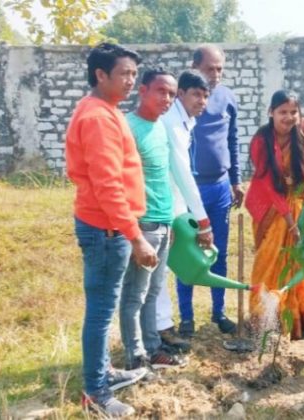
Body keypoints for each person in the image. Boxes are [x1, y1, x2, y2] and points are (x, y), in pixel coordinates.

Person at [65, 43, 155, 417]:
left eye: (134, 74)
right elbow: (107, 185)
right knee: (101, 311)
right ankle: (96, 393)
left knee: (103, 306)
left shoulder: (106, 110)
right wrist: (135, 236)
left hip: (106, 226)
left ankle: (101, 372)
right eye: (124, 74)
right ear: (100, 75)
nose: (131, 81)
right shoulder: (98, 118)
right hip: (106, 230)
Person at [245, 89, 304, 341]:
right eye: (282, 112)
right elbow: (266, 184)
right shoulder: (261, 141)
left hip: (300, 205)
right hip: (268, 208)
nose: (289, 117)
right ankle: (265, 323)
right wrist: (289, 220)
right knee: (268, 262)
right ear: (271, 113)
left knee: (301, 262)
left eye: (293, 112)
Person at [119, 67, 188, 370]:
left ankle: (152, 346)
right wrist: (131, 232)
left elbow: (163, 179)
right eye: (161, 91)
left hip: (163, 221)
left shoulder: (161, 127)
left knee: (154, 291)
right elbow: (117, 182)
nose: (167, 98)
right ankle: (136, 357)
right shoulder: (127, 127)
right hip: (142, 223)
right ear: (142, 90)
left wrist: (171, 220)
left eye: (172, 94)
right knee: (134, 294)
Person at [176, 45, 243, 337]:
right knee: (187, 254)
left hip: (220, 187)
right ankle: (187, 318)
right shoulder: (180, 102)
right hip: (189, 188)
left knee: (220, 252)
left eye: (219, 69)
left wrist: (236, 180)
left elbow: (233, 141)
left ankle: (219, 312)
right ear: (195, 67)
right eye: (209, 69)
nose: (215, 75)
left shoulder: (227, 97)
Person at [156, 69, 213, 353]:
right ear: (181, 93)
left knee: (161, 269)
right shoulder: (170, 122)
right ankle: (160, 331)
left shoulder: (184, 122)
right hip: (159, 206)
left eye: (205, 96)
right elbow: (181, 173)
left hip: (170, 204)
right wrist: (202, 220)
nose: (201, 101)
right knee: (157, 270)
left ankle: (160, 329)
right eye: (196, 94)